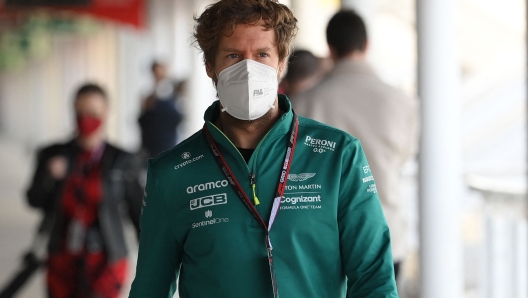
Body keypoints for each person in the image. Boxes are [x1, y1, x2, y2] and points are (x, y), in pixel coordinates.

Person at [129, 1, 398, 297]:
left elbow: (374, 278)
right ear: (210, 66)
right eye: (233, 55)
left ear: (281, 63)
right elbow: (149, 289)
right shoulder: (172, 174)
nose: (248, 69)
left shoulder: (337, 156)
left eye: (262, 55)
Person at [293, 9, 419, 281]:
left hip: (324, 240)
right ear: (366, 44)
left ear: (330, 48)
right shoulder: (401, 102)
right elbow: (403, 158)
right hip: (385, 234)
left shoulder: (304, 103)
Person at [26, 83, 144, 298]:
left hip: (107, 260)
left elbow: (140, 214)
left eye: (93, 113)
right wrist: (49, 178)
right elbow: (34, 199)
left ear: (106, 113)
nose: (86, 119)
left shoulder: (123, 161)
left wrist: (153, 261)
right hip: (62, 259)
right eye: (80, 113)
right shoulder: (53, 155)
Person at [138, 61, 183, 159]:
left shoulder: (174, 93)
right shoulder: (149, 97)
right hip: (152, 146)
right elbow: (143, 119)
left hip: (169, 144)